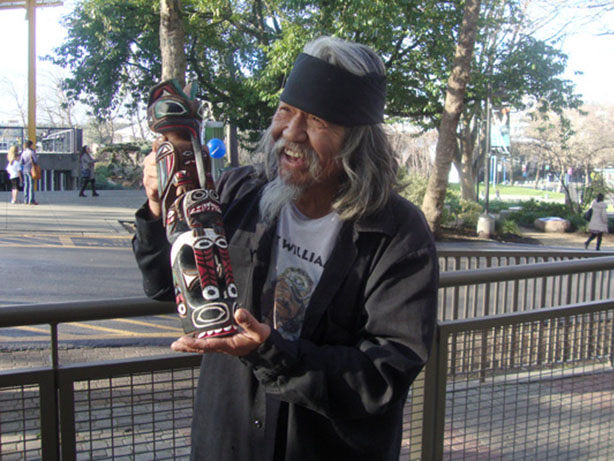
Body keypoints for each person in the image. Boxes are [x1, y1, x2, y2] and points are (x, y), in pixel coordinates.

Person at [133, 36, 438, 460]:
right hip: (228, 440)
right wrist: (156, 209)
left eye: (317, 121)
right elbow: (166, 287)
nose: (291, 133)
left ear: (355, 142)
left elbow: (386, 371)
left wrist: (269, 351)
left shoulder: (397, 233)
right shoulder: (238, 192)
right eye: (286, 111)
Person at [19, 140, 38, 205]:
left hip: (25, 170)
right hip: (31, 170)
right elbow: (35, 161)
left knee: (26, 185)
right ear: (30, 145)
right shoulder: (32, 152)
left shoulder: (23, 152)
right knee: (31, 185)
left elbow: (21, 162)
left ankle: (26, 200)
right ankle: (31, 200)